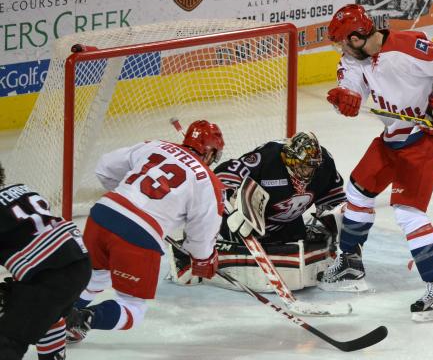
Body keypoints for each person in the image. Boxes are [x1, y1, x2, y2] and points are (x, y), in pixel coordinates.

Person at [319, 4, 433, 322]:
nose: (341, 49)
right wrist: (345, 98)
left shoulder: (407, 48)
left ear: (358, 37)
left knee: (408, 211)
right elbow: (351, 86)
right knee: (358, 189)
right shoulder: (353, 58)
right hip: (393, 136)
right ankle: (351, 261)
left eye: (344, 41)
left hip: (425, 139)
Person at [65, 120, 226, 343]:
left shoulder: (156, 146)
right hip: (139, 236)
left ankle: (55, 318)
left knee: (95, 276)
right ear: (209, 153)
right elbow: (201, 236)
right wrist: (203, 260)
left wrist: (131, 198)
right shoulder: (209, 182)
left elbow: (104, 167)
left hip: (103, 213)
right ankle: (82, 319)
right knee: (133, 309)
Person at [167, 131, 347, 292]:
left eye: (310, 167)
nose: (306, 173)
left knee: (306, 243)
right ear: (289, 159)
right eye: (301, 167)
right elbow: (223, 175)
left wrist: (333, 221)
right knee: (229, 227)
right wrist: (233, 199)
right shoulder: (268, 157)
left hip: (286, 222)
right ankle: (189, 254)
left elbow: (335, 199)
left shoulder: (324, 165)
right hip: (251, 222)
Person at [0, 161, 91, 360]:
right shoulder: (23, 190)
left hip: (50, 276)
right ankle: (70, 316)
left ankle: (69, 315)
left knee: (8, 342)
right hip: (79, 261)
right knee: (48, 313)